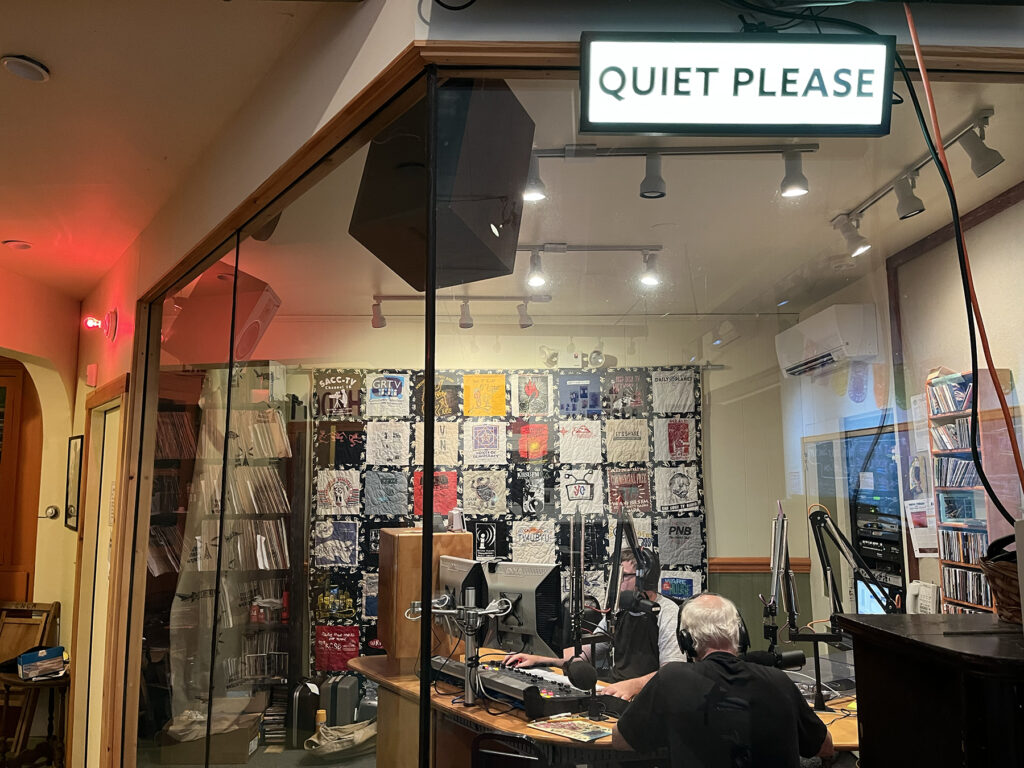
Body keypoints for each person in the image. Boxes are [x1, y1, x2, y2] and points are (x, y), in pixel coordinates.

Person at [612, 594, 834, 768]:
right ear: (740, 634)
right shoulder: (780, 681)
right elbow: (825, 747)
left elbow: (621, 739)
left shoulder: (671, 679)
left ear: (685, 641)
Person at [503, 548, 685, 700]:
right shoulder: (618, 611)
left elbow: (672, 672)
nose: (615, 583)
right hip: (616, 692)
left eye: (623, 576)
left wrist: (633, 686)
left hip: (648, 698)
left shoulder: (667, 613)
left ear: (643, 579)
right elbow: (583, 655)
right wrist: (541, 658)